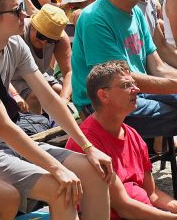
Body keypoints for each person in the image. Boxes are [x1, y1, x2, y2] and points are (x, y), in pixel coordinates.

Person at [0, 0, 113, 219]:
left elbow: (49, 100)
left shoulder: (14, 43)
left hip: (5, 144)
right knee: (60, 186)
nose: (24, 15)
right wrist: (56, 168)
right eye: (16, 10)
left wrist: (88, 147)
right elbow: (2, 125)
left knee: (94, 171)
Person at [71, 0, 177, 136]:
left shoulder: (135, 11)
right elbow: (119, 80)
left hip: (134, 92)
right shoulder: (95, 19)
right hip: (103, 103)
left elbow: (158, 67)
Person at [66, 61, 177, 219]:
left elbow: (152, 194)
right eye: (126, 85)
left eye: (134, 83)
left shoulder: (133, 135)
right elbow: (124, 207)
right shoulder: (86, 143)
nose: (137, 89)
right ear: (103, 95)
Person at [12, 4, 73, 114]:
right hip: (14, 79)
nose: (44, 42)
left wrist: (64, 100)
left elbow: (69, 72)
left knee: (61, 92)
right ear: (33, 25)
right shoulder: (17, 33)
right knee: (35, 96)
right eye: (41, 36)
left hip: (39, 74)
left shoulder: (60, 39)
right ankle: (39, 127)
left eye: (50, 41)